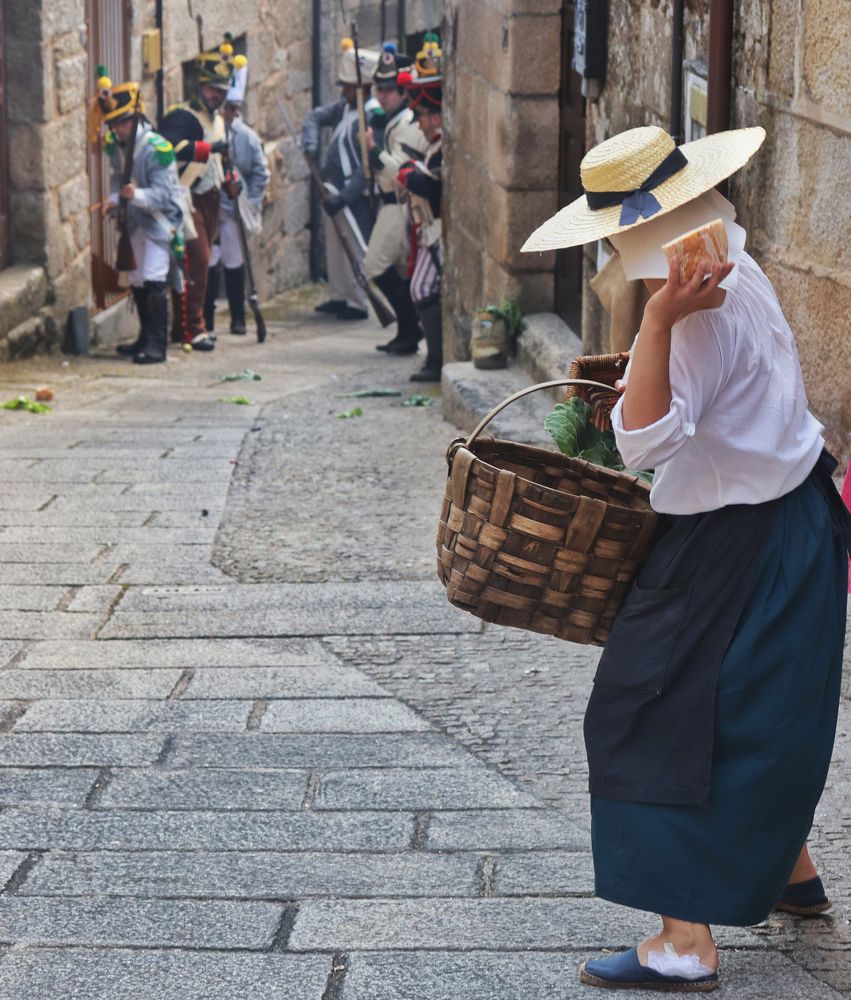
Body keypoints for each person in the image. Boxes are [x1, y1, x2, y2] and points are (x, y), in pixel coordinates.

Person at [522, 124, 851, 992]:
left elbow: (647, 444)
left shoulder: (692, 311)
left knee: (649, 715)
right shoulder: (742, 277)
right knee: (765, 709)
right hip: (797, 522)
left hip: (729, 543)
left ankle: (683, 942)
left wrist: (660, 319)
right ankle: (791, 872)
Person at [88, 68, 184, 365]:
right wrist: (114, 200)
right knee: (139, 279)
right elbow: (119, 178)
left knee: (154, 279)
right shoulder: (118, 148)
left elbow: (165, 195)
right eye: (114, 125)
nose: (117, 130)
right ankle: (145, 337)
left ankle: (158, 344)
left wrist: (135, 195)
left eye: (122, 124)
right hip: (134, 223)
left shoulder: (158, 148)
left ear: (134, 118)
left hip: (158, 223)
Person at [159, 37, 246, 351]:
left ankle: (189, 326)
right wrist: (209, 149)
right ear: (199, 87)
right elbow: (168, 149)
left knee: (201, 265)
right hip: (186, 197)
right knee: (198, 260)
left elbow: (219, 160)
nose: (216, 96)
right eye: (212, 90)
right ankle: (191, 328)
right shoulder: (182, 116)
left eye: (221, 92)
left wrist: (229, 181)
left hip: (211, 200)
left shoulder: (219, 121)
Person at [302, 39, 379, 321]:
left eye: (348, 86)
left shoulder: (374, 116)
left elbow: (366, 169)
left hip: (354, 194)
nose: (343, 91)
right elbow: (314, 117)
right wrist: (310, 144)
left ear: (363, 88)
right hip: (333, 188)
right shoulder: (343, 109)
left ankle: (359, 302)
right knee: (335, 249)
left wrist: (345, 197)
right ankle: (339, 295)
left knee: (357, 248)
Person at [364, 43, 429, 354]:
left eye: (391, 89)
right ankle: (407, 330)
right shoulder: (393, 121)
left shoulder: (406, 125)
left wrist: (374, 151)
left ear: (404, 92)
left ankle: (409, 327)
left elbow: (399, 172)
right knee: (401, 271)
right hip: (390, 202)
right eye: (381, 88)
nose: (383, 95)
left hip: (398, 203)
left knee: (374, 265)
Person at [204, 65, 270, 336]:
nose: (227, 113)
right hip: (210, 204)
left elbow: (260, 172)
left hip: (233, 208)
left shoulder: (247, 137)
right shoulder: (209, 130)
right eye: (224, 107)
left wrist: (250, 202)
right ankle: (205, 320)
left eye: (232, 107)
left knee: (233, 260)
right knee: (209, 261)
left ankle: (238, 317)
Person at [396, 35, 444, 382]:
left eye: (425, 116)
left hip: (438, 228)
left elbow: (435, 187)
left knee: (423, 288)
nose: (421, 123)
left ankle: (437, 359)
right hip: (428, 227)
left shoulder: (442, 149)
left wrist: (410, 176)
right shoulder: (435, 148)